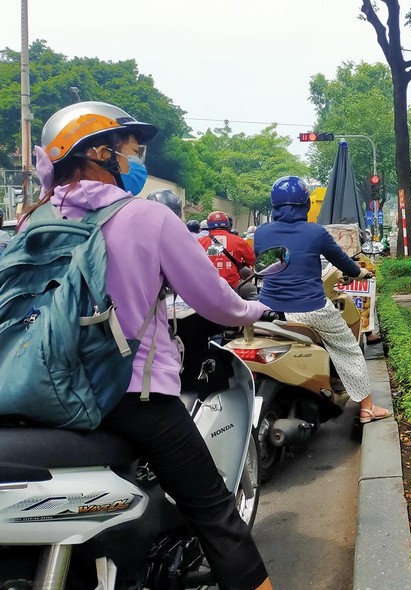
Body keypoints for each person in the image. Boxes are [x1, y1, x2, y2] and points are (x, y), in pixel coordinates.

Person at [27, 101, 273, 590]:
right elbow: (216, 302)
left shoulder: (33, 219)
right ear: (99, 152)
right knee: (216, 515)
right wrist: (256, 311)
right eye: (131, 151)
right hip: (132, 396)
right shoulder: (146, 217)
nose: (137, 162)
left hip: (44, 392)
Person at [253, 176, 390, 424]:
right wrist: (359, 272)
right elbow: (343, 262)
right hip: (310, 309)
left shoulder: (261, 233)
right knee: (348, 348)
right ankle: (367, 408)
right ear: (305, 204)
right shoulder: (316, 232)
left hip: (267, 310)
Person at [198, 211, 256, 289]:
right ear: (227, 224)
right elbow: (252, 260)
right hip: (232, 286)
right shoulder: (238, 240)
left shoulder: (200, 242)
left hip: (206, 287)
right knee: (252, 290)